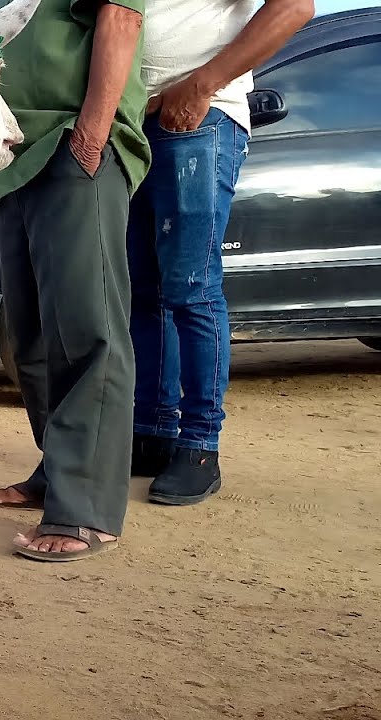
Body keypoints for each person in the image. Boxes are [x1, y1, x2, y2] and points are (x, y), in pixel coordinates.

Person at [0, 0, 149, 561]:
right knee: (30, 339)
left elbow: (120, 18)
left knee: (86, 330)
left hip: (71, 142)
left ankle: (86, 509)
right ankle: (59, 472)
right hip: (13, 154)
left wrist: (92, 136)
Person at [127, 0, 314, 504]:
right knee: (145, 291)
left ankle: (201, 445)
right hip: (132, 122)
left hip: (201, 118)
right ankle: (152, 431)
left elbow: (295, 6)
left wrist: (204, 82)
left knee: (191, 286)